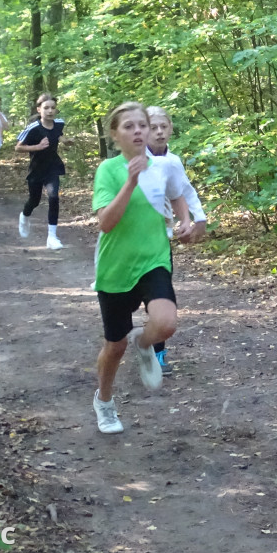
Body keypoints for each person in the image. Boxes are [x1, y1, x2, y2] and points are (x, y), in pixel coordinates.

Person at [91, 102, 180, 434]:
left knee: (166, 323)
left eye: (142, 124)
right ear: (115, 135)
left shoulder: (164, 166)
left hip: (154, 258)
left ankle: (145, 345)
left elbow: (179, 195)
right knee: (115, 346)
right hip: (116, 268)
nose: (139, 131)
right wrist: (130, 181)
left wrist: (188, 224)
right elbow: (106, 223)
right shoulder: (108, 170)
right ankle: (104, 401)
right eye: (128, 126)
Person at [145, 106, 207, 374]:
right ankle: (125, 344)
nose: (159, 132)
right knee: (125, 301)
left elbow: (182, 191)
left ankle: (158, 354)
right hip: (127, 244)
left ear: (171, 128)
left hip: (159, 242)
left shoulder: (173, 161)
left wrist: (196, 220)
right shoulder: (128, 161)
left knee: (161, 299)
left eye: (163, 127)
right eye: (153, 127)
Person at [15, 93, 69, 250]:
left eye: (53, 108)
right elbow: (18, 147)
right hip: (37, 169)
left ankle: (52, 237)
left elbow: (59, 135)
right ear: (39, 110)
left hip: (52, 167)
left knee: (54, 197)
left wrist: (65, 141)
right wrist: (37, 147)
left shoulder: (59, 124)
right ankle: (24, 216)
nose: (50, 111)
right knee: (35, 201)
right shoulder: (33, 128)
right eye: (46, 108)